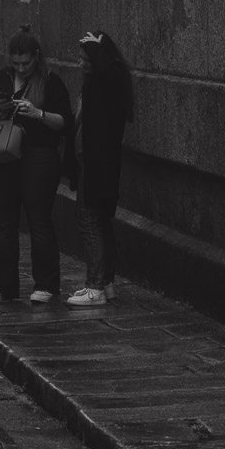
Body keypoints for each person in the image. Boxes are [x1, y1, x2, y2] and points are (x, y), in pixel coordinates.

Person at [0, 28, 74, 306]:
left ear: (36, 57)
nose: (21, 68)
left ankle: (46, 284)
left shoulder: (51, 82)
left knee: (39, 220)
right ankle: (2, 286)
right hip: (5, 157)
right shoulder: (0, 80)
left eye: (26, 63)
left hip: (40, 156)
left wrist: (37, 113)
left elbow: (64, 123)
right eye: (16, 63)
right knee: (5, 223)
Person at [66, 31, 134, 307]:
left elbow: (108, 69)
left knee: (89, 219)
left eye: (86, 58)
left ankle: (94, 286)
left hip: (97, 162)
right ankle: (104, 283)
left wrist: (98, 46)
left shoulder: (105, 82)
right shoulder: (102, 83)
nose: (81, 63)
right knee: (100, 220)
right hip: (95, 161)